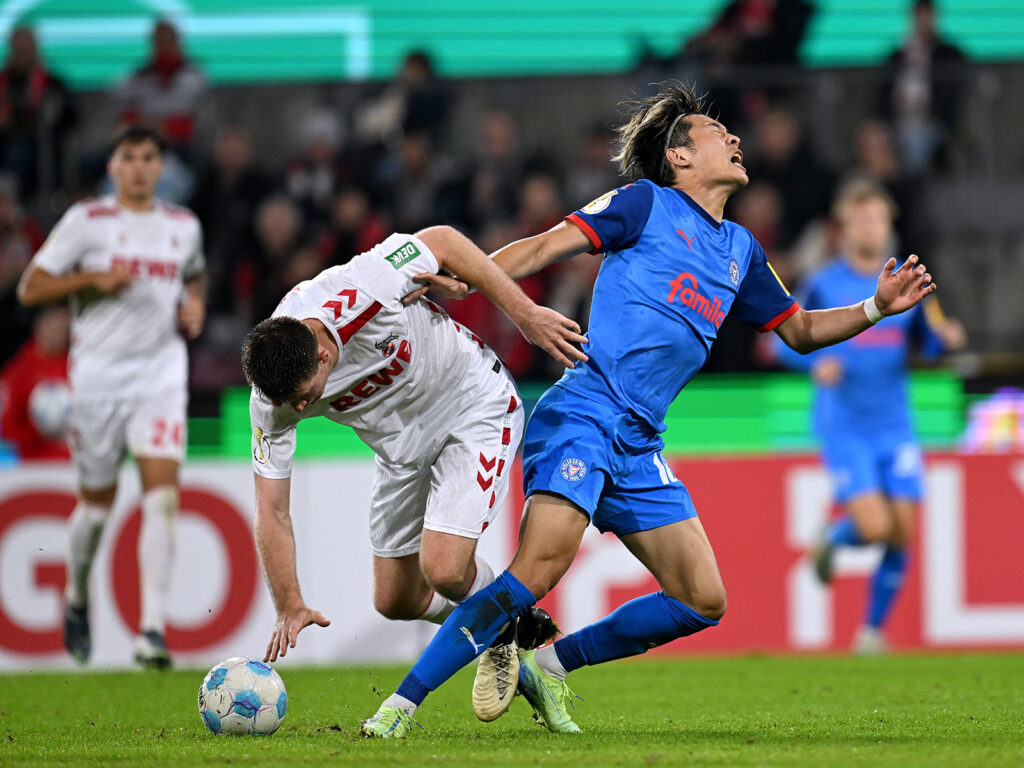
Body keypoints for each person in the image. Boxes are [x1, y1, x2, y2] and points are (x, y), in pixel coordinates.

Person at [361, 82, 939, 738]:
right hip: (584, 410)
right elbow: (546, 245)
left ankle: (547, 662)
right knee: (540, 569)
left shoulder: (741, 251)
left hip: (640, 441)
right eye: (722, 135)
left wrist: (874, 308)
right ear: (682, 158)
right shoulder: (643, 205)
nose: (736, 141)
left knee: (702, 598)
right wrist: (468, 277)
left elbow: (800, 330)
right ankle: (398, 707)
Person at [240, 225, 587, 722]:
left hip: (471, 405)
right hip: (400, 450)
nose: (298, 407)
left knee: (444, 569)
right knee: (395, 598)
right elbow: (271, 510)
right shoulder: (272, 399)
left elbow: (443, 239)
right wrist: (289, 602)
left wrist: (525, 314)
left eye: (306, 396)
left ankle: (495, 622)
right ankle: (505, 625)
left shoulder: (360, 289)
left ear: (321, 353)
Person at [17, 124, 206, 668]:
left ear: (161, 166)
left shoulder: (182, 225)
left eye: (151, 157)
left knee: (162, 497)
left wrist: (193, 306)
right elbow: (31, 285)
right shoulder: (87, 222)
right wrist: (90, 280)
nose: (142, 167)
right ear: (113, 167)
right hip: (98, 377)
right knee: (97, 511)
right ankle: (76, 595)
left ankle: (152, 632)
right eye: (131, 157)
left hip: (160, 375)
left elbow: (194, 278)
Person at [776, 180, 965, 653]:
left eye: (878, 219)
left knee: (902, 530)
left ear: (889, 227)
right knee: (876, 526)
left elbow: (932, 338)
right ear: (844, 229)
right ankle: (834, 536)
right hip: (844, 424)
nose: (870, 228)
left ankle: (871, 633)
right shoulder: (822, 282)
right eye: (860, 220)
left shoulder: (907, 280)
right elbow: (779, 341)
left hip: (895, 422)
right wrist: (812, 362)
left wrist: (949, 340)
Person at [0, 305, 71, 460]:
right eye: (54, 327)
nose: (59, 334)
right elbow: (7, 427)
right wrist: (38, 433)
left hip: (72, 461)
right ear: (39, 326)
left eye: (63, 329)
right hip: (32, 464)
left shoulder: (76, 366)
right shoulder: (18, 371)